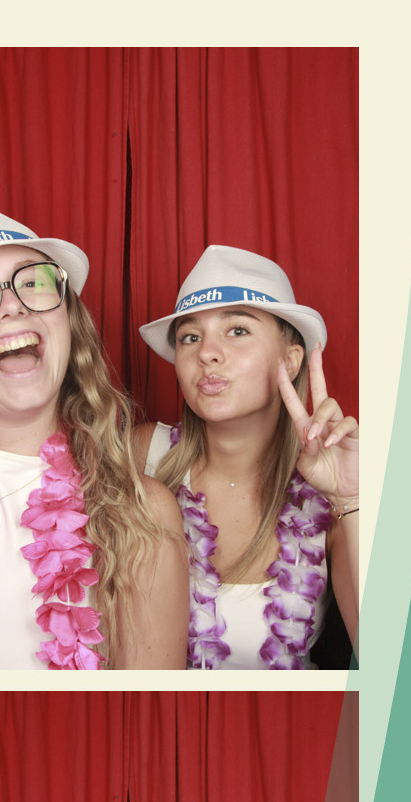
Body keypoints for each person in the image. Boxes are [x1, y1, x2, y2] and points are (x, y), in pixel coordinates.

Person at [0, 196, 187, 671]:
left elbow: (146, 707)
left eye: (33, 283)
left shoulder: (143, 514)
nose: (11, 306)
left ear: (67, 322)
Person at [137, 246, 359, 669]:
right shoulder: (141, 456)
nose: (206, 352)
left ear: (290, 360)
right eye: (190, 337)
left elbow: (397, 666)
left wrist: (352, 497)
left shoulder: (332, 499)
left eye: (237, 330)